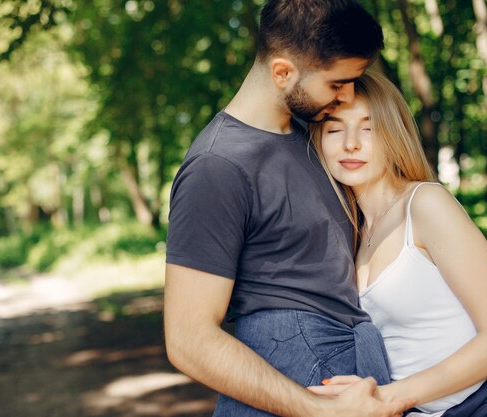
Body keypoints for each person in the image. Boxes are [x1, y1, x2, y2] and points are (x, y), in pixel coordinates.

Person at [164, 1, 415, 416]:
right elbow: (188, 339)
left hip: (349, 379)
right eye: (337, 84)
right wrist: (319, 412)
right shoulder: (217, 167)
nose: (348, 96)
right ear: (283, 72)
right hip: (290, 394)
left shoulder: (316, 136)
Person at [308, 70, 487, 416]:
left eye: (368, 128)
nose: (350, 143)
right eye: (334, 129)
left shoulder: (425, 205)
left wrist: (389, 397)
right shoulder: (353, 234)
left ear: (392, 134)